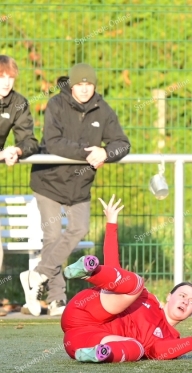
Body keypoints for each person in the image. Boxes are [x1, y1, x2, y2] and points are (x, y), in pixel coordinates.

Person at [61, 195, 192, 363]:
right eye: (183, 295)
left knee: (137, 348)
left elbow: (158, 352)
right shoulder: (146, 297)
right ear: (169, 296)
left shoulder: (171, 338)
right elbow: (115, 269)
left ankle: (100, 354)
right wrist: (111, 223)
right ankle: (90, 270)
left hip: (82, 342)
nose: (187, 302)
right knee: (136, 285)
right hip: (85, 312)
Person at [23, 63, 130, 317]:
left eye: (89, 84)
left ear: (94, 85)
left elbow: (123, 144)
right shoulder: (56, 105)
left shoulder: (103, 110)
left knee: (79, 229)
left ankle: (36, 275)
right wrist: (89, 154)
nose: (84, 89)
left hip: (79, 186)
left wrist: (106, 152)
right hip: (48, 182)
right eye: (79, 84)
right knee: (52, 236)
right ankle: (57, 298)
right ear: (71, 85)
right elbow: (53, 142)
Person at [1, 55, 40, 317]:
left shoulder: (18, 103)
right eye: (2, 77)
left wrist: (16, 149)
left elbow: (30, 141)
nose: (6, 82)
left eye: (10, 77)